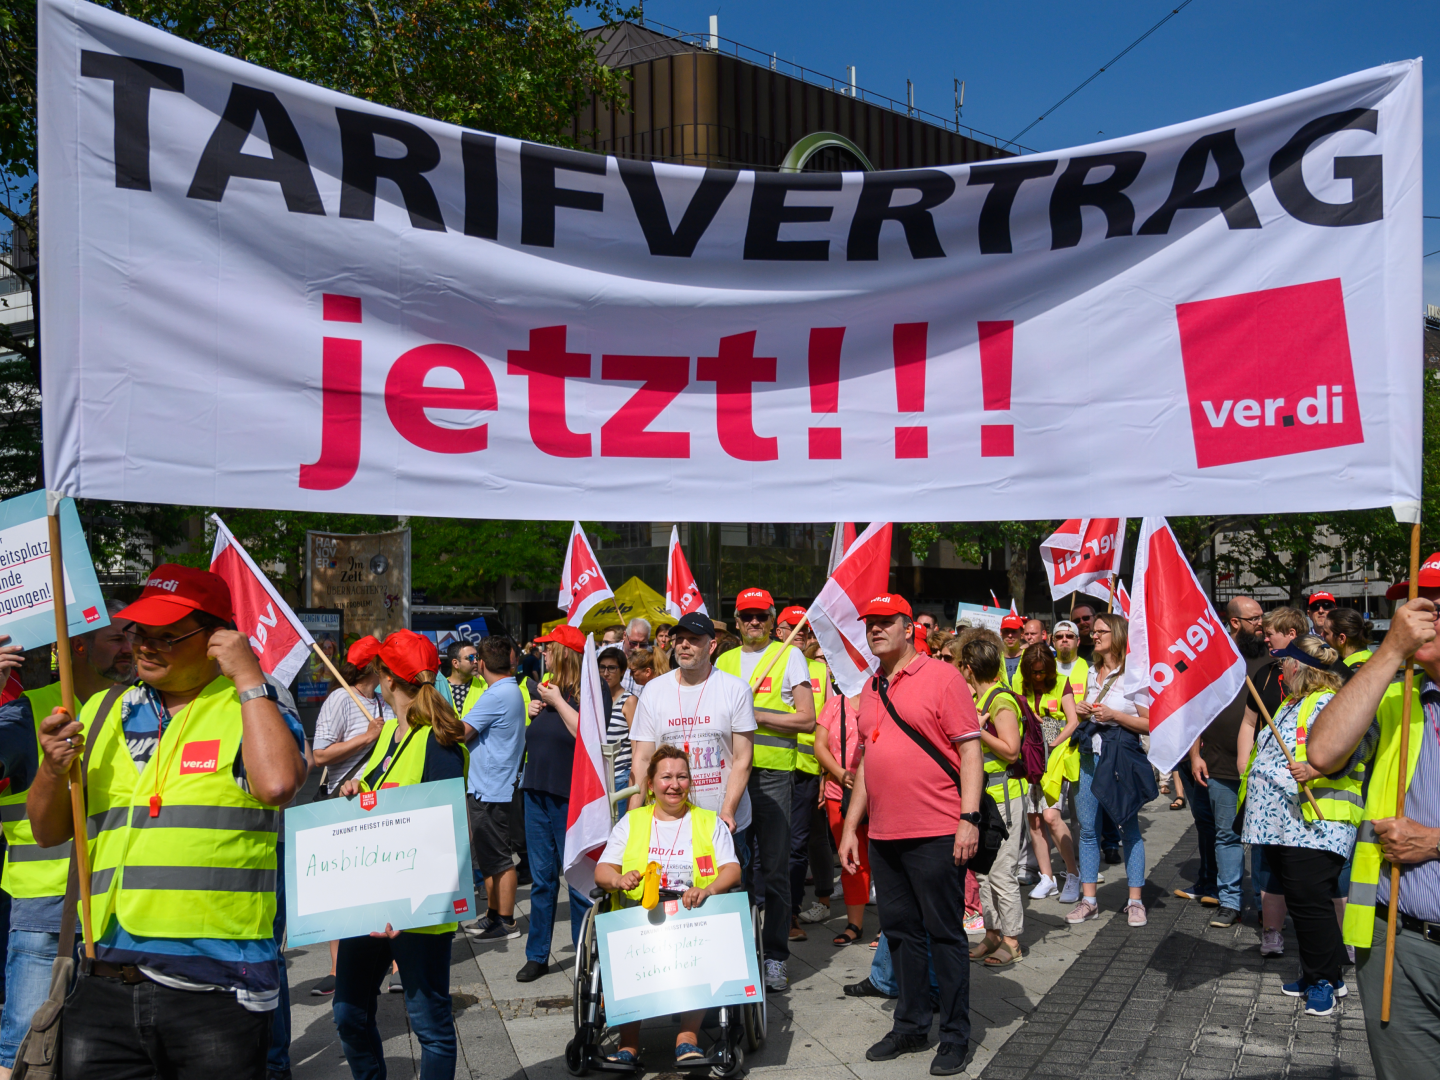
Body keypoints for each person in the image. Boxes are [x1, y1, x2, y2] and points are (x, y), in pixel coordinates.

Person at [29, 565, 307, 1078]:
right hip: (105, 979)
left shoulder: (254, 703)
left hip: (217, 986)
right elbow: (47, 832)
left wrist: (248, 678)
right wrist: (51, 767)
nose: (145, 647)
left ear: (216, 639)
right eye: (139, 632)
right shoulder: (106, 707)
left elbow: (277, 786)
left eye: (166, 636)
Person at [838, 594, 981, 1076]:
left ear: (907, 627)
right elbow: (866, 766)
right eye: (870, 624)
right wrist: (853, 827)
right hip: (884, 835)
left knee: (944, 934)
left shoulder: (943, 678)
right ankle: (911, 1024)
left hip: (938, 829)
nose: (876, 630)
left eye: (885, 622)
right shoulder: (870, 685)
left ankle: (955, 1035)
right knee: (900, 934)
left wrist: (970, 817)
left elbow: (971, 753)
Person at [1306, 572, 1440, 1077]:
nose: (1419, 622)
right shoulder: (1394, 697)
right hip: (1399, 946)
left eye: (1434, 609)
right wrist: (1387, 655)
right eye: (1411, 610)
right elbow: (1322, 751)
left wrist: (1435, 842)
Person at [0, 599, 131, 1079]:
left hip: (117, 907)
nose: (129, 647)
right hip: (44, 908)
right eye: (116, 637)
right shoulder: (24, 711)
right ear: (76, 646)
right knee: (26, 1048)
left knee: (104, 1055)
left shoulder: (142, 710)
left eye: (131, 637)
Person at [331, 630, 469, 1080]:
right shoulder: (390, 731)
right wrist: (356, 789)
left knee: (430, 1025)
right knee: (348, 1013)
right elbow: (378, 796)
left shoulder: (440, 742)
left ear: (388, 679)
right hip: (371, 901)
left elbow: (441, 832)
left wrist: (406, 908)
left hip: (418, 910)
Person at [1237, 635, 1366, 1018]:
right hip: (1287, 827)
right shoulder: (1295, 702)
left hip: (1314, 825)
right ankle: (1319, 974)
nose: (1280, 670)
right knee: (1306, 904)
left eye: (1284, 664)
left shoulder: (1326, 703)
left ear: (1301, 668)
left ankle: (1325, 981)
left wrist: (1315, 768)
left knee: (1311, 906)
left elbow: (1343, 750)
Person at [594, 745, 741, 1065]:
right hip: (640, 915)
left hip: (691, 912)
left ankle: (687, 1036)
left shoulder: (707, 822)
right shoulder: (631, 823)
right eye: (666, 777)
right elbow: (603, 871)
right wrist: (620, 880)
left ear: (690, 781)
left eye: (682, 776)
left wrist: (708, 888)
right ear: (650, 783)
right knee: (627, 943)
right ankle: (629, 1042)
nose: (674, 784)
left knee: (703, 944)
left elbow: (731, 868)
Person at [714, 588, 815, 991]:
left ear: (773, 621)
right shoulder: (723, 661)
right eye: (747, 616)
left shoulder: (790, 655)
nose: (754, 622)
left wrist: (753, 714)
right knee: (731, 870)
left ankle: (775, 956)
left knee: (773, 871)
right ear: (736, 621)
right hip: (727, 779)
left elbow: (807, 720)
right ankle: (734, 953)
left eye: (761, 616)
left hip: (772, 778)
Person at [1176, 596, 1276, 929]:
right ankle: (1229, 901)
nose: (1262, 624)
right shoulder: (1212, 658)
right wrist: (1194, 754)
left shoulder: (1271, 656)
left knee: (1262, 838)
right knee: (1226, 835)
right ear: (1235, 622)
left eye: (1262, 617)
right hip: (1218, 762)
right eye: (1255, 619)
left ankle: (1266, 905)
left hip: (1263, 764)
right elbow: (1194, 711)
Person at [1066, 613, 1155, 927]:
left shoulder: (1134, 675)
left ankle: (1135, 901)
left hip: (1120, 761)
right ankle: (1089, 900)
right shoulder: (1091, 672)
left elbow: (1148, 724)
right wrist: (1081, 710)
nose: (1094, 635)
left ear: (1116, 634)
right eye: (1094, 631)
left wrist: (1115, 714)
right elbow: (1087, 717)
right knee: (1088, 830)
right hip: (1091, 759)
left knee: (1128, 830)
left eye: (1101, 631)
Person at [516, 625, 592, 982]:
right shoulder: (547, 691)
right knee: (542, 879)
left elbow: (585, 735)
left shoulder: (588, 693)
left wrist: (558, 702)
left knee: (576, 878)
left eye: (549, 649)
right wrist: (536, 711)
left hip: (570, 797)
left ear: (565, 654)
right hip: (536, 792)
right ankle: (537, 954)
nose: (542, 653)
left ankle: (583, 954)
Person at [958, 636, 1026, 968]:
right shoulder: (980, 698)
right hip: (986, 798)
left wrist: (976, 730)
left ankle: (1012, 939)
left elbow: (1011, 750)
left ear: (968, 668)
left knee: (1002, 873)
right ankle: (993, 932)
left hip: (1006, 796)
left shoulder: (1000, 702)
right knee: (983, 873)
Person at [461, 635, 528, 942]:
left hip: (491, 787)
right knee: (489, 856)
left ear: (482, 664)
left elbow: (462, 732)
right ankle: (493, 915)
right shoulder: (509, 689)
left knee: (499, 858)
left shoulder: (497, 693)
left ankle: (506, 920)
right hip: (493, 784)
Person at [1015, 642, 1080, 903]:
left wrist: (1054, 741)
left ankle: (1073, 874)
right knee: (1034, 819)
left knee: (1052, 816)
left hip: (1054, 755)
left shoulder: (1062, 682)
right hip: (1028, 755)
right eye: (1034, 672)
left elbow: (1073, 720)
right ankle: (1047, 877)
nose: (1038, 676)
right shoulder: (1019, 684)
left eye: (1042, 672)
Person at [813, 681, 866, 946]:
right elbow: (819, 745)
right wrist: (837, 772)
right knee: (849, 859)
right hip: (839, 793)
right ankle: (854, 924)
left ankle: (891, 927)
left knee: (885, 859)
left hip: (881, 792)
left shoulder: (883, 697)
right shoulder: (835, 704)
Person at [597, 646, 637, 797]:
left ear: (622, 671)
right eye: (602, 668)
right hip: (598, 779)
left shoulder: (629, 701)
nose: (606, 673)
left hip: (621, 778)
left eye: (612, 668)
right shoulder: (594, 700)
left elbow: (636, 745)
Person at [438, 640, 481, 716]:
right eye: (470, 657)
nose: (476, 661)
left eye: (477, 656)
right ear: (456, 663)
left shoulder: (486, 685)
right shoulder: (439, 688)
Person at [619, 618, 651, 693]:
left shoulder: (652, 658)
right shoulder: (603, 653)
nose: (637, 648)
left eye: (643, 644)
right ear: (624, 635)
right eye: (633, 643)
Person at [998, 614, 1026, 688]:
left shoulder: (1029, 656)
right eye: (1006, 631)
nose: (1010, 635)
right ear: (1001, 633)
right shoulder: (995, 658)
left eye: (1014, 631)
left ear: (1022, 633)